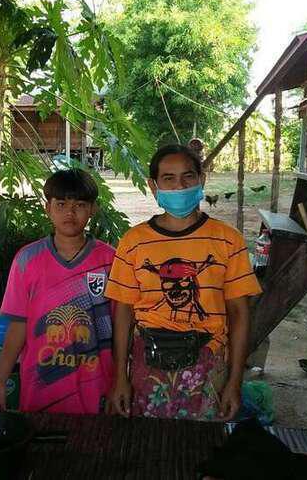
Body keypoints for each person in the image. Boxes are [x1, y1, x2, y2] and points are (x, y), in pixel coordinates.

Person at [105, 144, 261, 421]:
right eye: (168, 178)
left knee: (202, 442)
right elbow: (124, 314)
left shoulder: (228, 240)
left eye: (188, 176)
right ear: (153, 186)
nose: (179, 186)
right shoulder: (133, 242)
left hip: (208, 366)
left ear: (202, 179)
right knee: (149, 441)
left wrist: (234, 381)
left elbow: (240, 313)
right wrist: (120, 377)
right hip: (148, 365)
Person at [0, 169, 115, 414]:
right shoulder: (27, 259)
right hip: (41, 391)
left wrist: (123, 380)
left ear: (93, 209)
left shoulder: (110, 260)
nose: (70, 213)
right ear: (47, 208)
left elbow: (123, 327)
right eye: (61, 204)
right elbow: (18, 326)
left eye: (80, 205)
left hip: (98, 391)